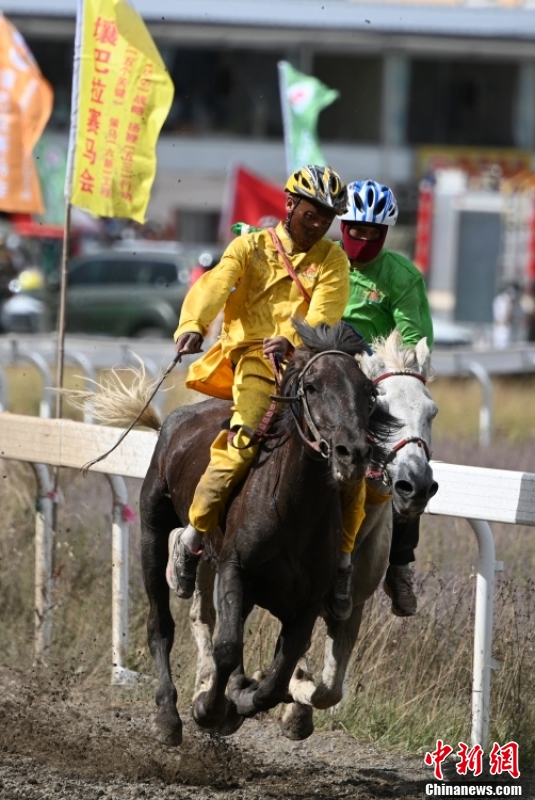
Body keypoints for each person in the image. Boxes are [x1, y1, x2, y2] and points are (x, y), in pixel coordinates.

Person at [167, 165, 365, 621]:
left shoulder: (333, 260)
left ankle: (342, 562)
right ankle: (193, 538)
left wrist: (295, 342)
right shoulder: (250, 246)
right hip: (255, 363)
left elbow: (324, 315)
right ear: (290, 205)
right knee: (241, 447)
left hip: (309, 362)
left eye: (327, 218)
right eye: (312, 214)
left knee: (356, 450)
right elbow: (214, 285)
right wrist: (194, 325)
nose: (319, 225)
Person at [339, 179, 434, 617]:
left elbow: (413, 339)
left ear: (385, 233)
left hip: (377, 380)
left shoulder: (402, 275)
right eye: (355, 230)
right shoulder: (322, 261)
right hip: (322, 368)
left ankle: (399, 563)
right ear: (343, 226)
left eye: (372, 233)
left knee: (409, 455)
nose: (361, 239)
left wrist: (373, 359)